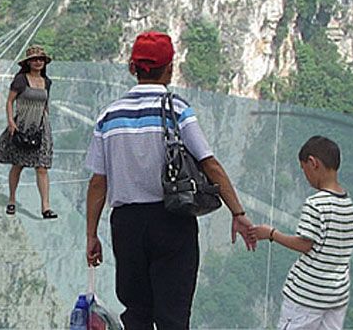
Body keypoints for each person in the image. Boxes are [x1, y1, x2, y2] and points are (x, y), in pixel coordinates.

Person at [85, 31, 256, 330]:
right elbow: (209, 163)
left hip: (126, 225)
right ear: (169, 68)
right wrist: (237, 213)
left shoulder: (108, 116)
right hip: (172, 219)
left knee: (136, 313)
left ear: (133, 68)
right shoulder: (177, 110)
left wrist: (91, 235)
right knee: (173, 317)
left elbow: (98, 182)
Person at [251, 136, 353, 330]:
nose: (305, 176)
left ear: (312, 163)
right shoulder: (348, 205)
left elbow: (304, 243)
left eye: (304, 170)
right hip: (336, 294)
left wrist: (271, 233)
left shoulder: (317, 204)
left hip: (308, 295)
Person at [0, 45, 57, 219]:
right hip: (22, 124)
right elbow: (9, 101)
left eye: (41, 59)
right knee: (18, 164)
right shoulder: (21, 79)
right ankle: (12, 200)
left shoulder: (47, 81)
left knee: (42, 166)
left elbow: (45, 103)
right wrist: (11, 122)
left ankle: (45, 206)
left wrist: (47, 123)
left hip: (41, 126)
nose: (38, 62)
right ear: (28, 62)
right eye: (35, 59)